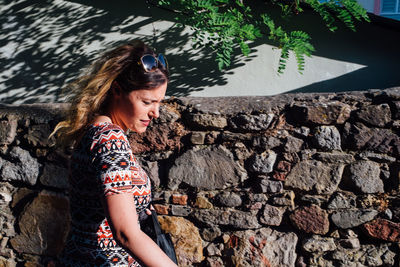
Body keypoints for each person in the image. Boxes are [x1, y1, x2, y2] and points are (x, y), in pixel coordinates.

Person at [52, 40, 178, 267]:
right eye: (148, 102)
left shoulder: (95, 131)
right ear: (117, 91)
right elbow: (125, 233)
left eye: (159, 103)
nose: (156, 113)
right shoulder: (110, 139)